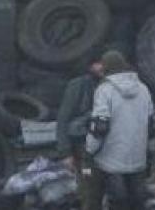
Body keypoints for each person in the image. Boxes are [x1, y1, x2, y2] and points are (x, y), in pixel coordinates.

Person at [84, 50, 154, 210]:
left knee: (117, 202)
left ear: (107, 67)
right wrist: (150, 150)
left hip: (110, 160)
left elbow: (99, 127)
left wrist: (89, 150)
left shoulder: (104, 90)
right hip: (137, 158)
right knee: (138, 202)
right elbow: (151, 125)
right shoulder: (143, 89)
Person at [57, 55, 105, 205]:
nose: (102, 67)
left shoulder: (109, 86)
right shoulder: (78, 86)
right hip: (83, 149)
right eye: (99, 63)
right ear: (90, 66)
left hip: (103, 147)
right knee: (88, 183)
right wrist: (65, 152)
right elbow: (63, 119)